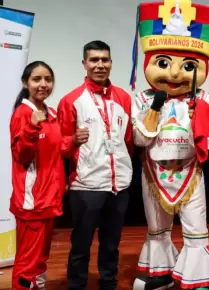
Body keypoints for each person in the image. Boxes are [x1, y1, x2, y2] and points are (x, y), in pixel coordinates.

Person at [129, 1, 209, 289]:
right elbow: (140, 139)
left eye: (186, 66)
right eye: (163, 63)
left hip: (190, 171)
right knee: (157, 228)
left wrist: (201, 123)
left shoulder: (202, 99)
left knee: (196, 227)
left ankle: (198, 279)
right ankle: (160, 273)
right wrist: (155, 109)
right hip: (153, 171)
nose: (173, 74)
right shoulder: (143, 98)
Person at [57, 40, 134, 290]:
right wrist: (72, 140)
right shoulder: (72, 100)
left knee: (111, 244)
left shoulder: (123, 97)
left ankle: (108, 284)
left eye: (105, 60)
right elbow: (62, 145)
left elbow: (129, 140)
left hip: (119, 184)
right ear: (84, 64)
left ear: (111, 63)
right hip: (86, 184)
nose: (100, 65)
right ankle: (77, 286)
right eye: (94, 60)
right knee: (81, 245)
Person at [10, 61, 88, 290]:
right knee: (28, 262)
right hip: (32, 202)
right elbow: (22, 156)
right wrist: (32, 128)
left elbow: (57, 148)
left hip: (50, 199)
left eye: (48, 79)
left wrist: (73, 140)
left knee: (41, 258)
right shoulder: (23, 114)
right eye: (36, 79)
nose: (43, 84)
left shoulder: (50, 112)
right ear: (26, 83)